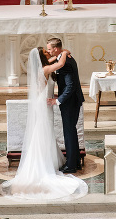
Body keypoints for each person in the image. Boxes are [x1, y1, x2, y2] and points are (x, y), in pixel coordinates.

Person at [0, 47, 87, 200]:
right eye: (46, 52)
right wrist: (64, 52)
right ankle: (42, 162)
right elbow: (59, 65)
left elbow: (54, 60)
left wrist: (59, 53)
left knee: (46, 131)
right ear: (41, 57)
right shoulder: (45, 68)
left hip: (46, 104)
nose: (49, 54)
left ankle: (49, 159)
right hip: (44, 104)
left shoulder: (43, 66)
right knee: (42, 131)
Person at [46, 38, 84, 173]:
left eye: (49, 49)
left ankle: (71, 165)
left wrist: (57, 100)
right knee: (71, 131)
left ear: (56, 49)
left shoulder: (65, 62)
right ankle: (76, 161)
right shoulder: (64, 57)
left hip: (70, 101)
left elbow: (70, 85)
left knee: (69, 133)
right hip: (71, 100)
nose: (49, 51)